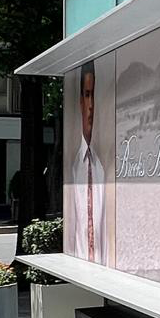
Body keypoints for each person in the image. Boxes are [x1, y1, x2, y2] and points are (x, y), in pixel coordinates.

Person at [66, 60, 107, 263]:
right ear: (80, 101)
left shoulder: (105, 166)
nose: (91, 106)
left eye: (94, 96)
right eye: (87, 95)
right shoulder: (73, 166)